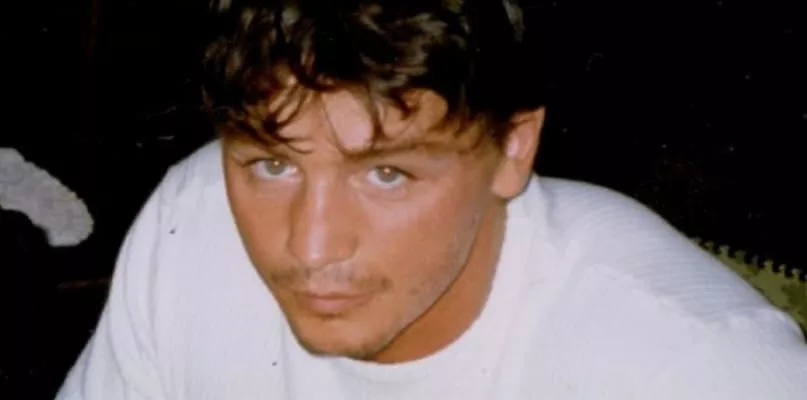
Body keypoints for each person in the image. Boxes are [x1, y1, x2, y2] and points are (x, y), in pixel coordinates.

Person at [56, 1, 807, 399]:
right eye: (273, 166)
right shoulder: (194, 216)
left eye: (386, 174)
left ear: (513, 147)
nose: (311, 246)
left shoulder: (694, 371)